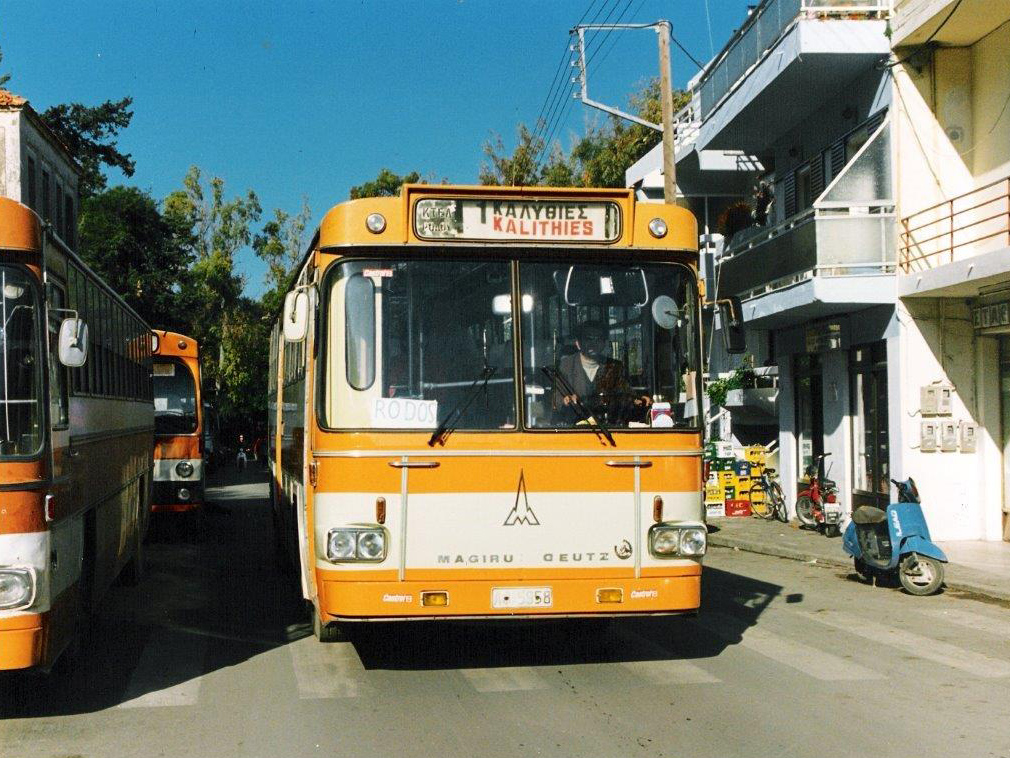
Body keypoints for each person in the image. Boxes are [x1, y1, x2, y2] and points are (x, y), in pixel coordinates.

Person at [552, 320, 649, 426]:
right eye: (588, 339)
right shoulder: (566, 365)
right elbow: (556, 398)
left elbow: (626, 393)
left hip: (608, 427)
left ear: (604, 343)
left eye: (598, 339)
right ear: (578, 343)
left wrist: (638, 400)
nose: (593, 343)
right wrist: (566, 400)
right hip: (575, 427)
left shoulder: (614, 367)